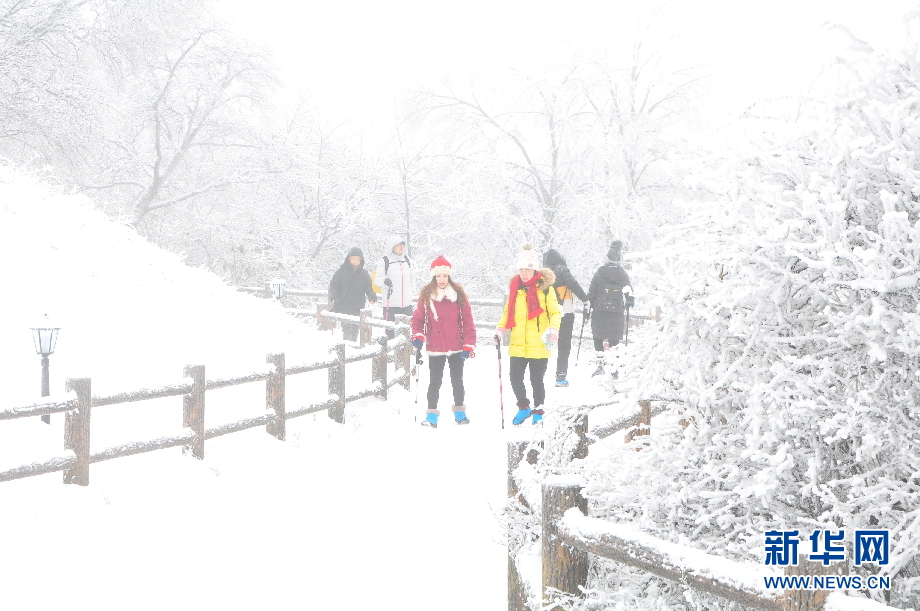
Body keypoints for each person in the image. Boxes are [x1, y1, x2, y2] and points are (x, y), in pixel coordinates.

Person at [494, 245, 561, 426]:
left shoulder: (546, 289)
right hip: (518, 342)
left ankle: (538, 411)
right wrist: (500, 329)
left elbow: (555, 312)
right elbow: (507, 313)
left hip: (539, 343)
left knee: (536, 380)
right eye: (521, 270)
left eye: (528, 270)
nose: (524, 274)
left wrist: (554, 328)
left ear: (535, 270)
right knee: (515, 378)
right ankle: (523, 407)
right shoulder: (515, 289)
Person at [410, 255, 477, 428]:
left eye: (445, 276)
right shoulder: (426, 297)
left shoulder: (458, 296)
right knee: (435, 382)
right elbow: (417, 320)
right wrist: (418, 335)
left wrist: (468, 344)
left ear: (449, 276)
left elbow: (468, 322)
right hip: (435, 346)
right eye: (438, 276)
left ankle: (460, 413)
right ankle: (431, 416)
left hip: (457, 346)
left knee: (457, 381)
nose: (441, 279)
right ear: (434, 276)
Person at [585, 240, 633, 378]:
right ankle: (614, 369)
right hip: (616, 313)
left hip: (600, 312)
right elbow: (629, 293)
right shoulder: (622, 274)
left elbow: (592, 292)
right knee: (614, 341)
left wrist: (587, 309)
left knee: (598, 337)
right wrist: (629, 302)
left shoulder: (600, 272)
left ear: (607, 257)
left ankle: (600, 366)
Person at [542, 249, 588, 388]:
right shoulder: (562, 270)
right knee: (564, 344)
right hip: (566, 310)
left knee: (545, 343)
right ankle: (560, 377)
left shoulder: (543, 274)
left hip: (548, 313)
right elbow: (573, 284)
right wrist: (585, 299)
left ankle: (540, 373)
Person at [328, 246, 377, 342]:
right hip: (344, 305)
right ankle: (347, 346)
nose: (355, 261)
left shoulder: (364, 274)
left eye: (358, 260)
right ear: (349, 259)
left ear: (361, 261)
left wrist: (372, 296)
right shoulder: (341, 271)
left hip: (358, 306)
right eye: (353, 259)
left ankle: (353, 346)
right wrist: (333, 295)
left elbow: (368, 287)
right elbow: (334, 284)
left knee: (355, 329)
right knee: (347, 329)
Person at [374, 236, 415, 339]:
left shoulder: (407, 260)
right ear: (392, 247)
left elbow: (412, 279)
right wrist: (385, 280)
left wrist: (411, 294)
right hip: (391, 304)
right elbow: (377, 279)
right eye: (398, 244)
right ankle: (390, 348)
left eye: (403, 245)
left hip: (407, 304)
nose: (401, 247)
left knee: (408, 332)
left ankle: (407, 349)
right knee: (391, 332)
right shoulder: (385, 260)